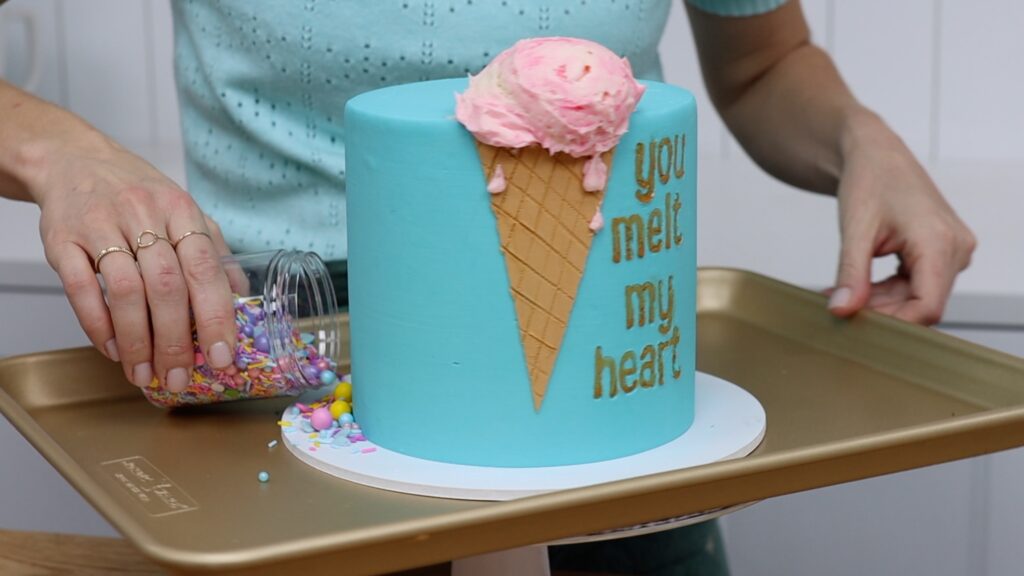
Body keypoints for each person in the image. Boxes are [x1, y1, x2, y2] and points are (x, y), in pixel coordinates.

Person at [0, 0, 976, 573]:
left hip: (610, 348)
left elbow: (763, 61)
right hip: (285, 340)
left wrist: (859, 138)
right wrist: (54, 150)